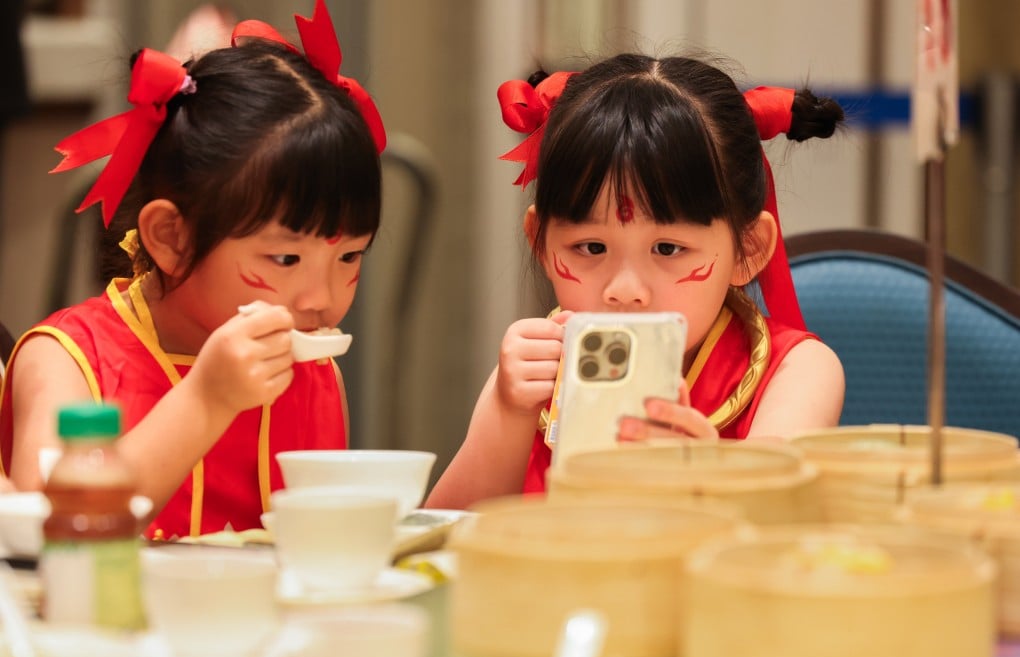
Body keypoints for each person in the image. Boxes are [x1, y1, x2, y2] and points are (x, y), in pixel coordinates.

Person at [0, 0, 386, 539]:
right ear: (172, 239)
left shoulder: (314, 378)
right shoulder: (68, 362)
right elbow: (46, 538)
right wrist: (206, 400)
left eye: (349, 256)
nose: (319, 299)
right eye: (286, 259)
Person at [426, 53, 845, 510]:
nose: (624, 289)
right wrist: (507, 412)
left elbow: (770, 538)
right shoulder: (531, 375)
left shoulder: (798, 372)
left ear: (750, 250)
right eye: (590, 247)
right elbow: (441, 538)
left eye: (667, 249)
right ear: (541, 241)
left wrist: (701, 477)